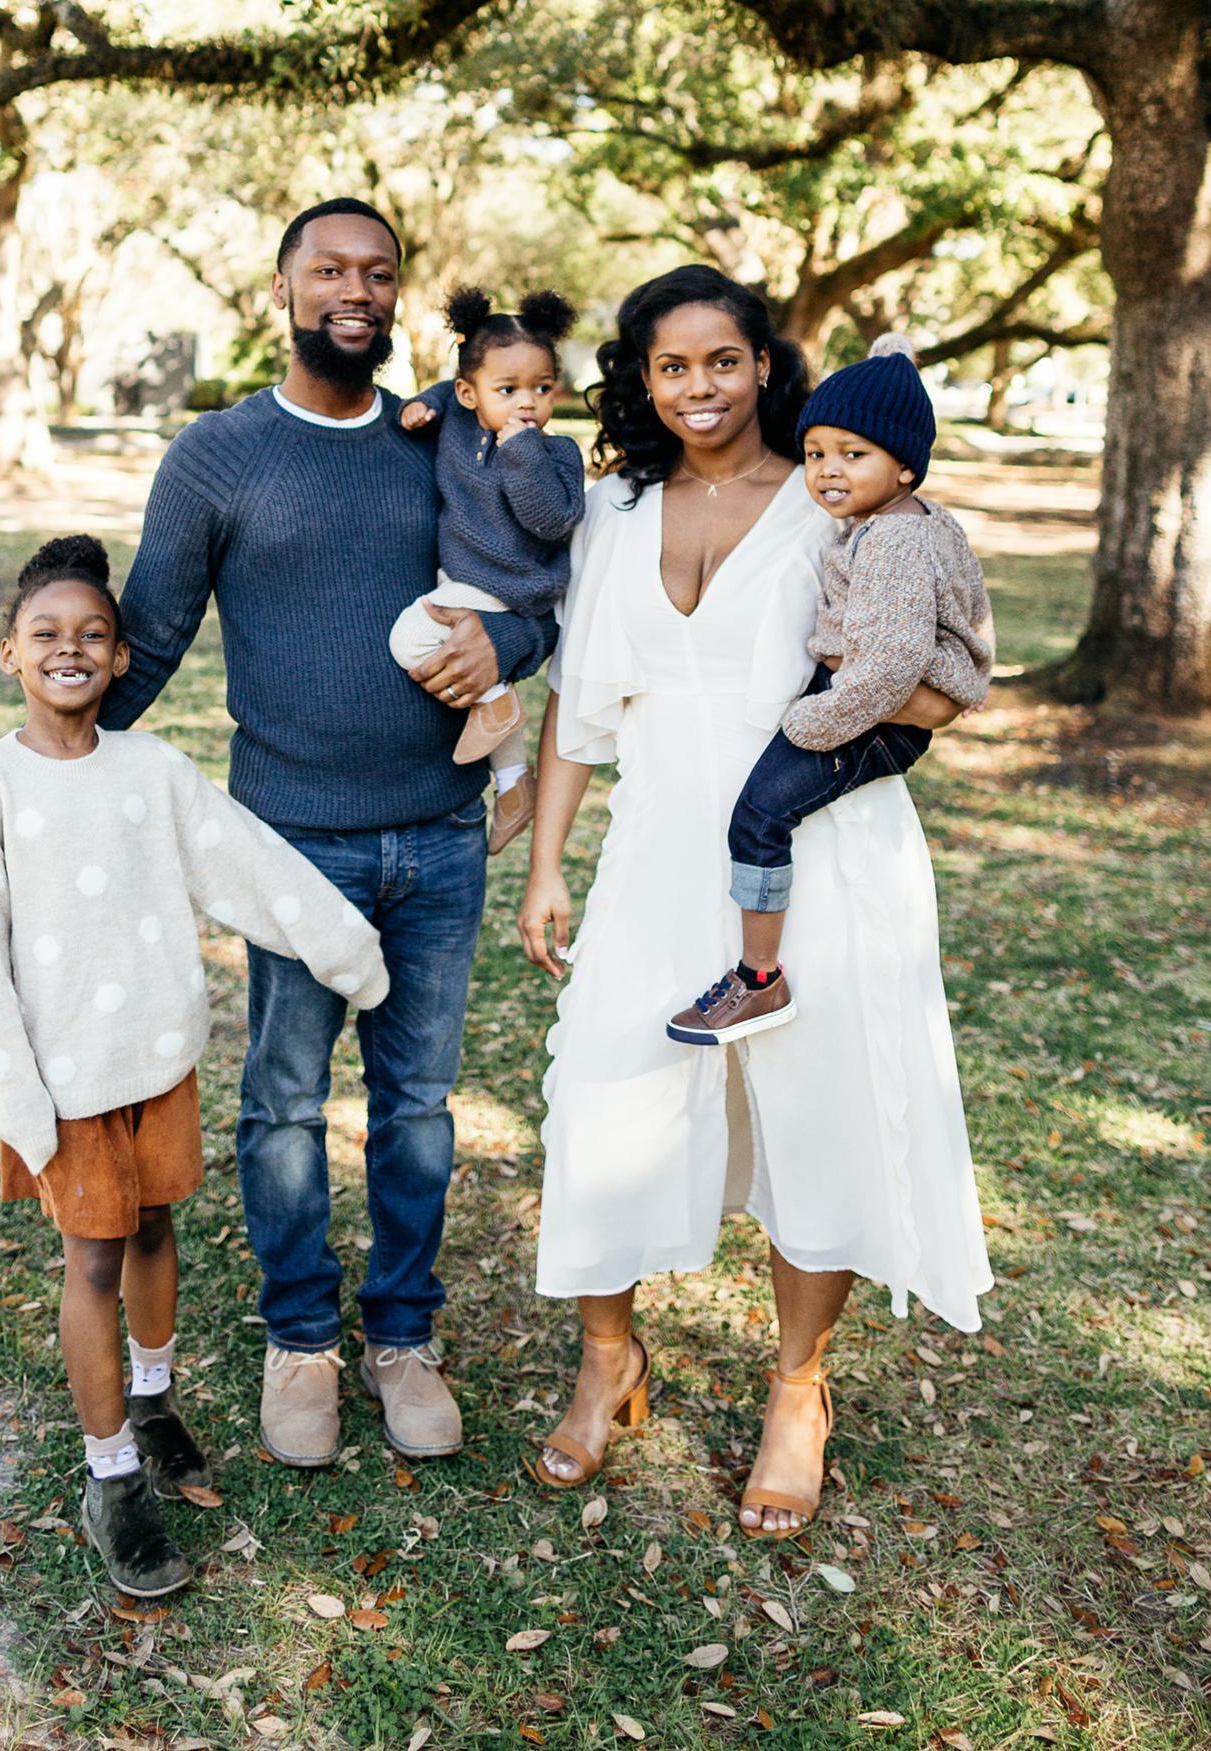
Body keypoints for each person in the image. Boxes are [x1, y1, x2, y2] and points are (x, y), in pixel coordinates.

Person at [518, 266, 993, 1539]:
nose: (700, 386)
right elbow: (577, 700)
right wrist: (548, 861)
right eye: (672, 365)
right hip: (657, 841)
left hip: (823, 845)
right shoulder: (614, 509)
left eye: (723, 359)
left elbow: (935, 675)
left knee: (815, 1109)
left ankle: (798, 1388)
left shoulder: (840, 496)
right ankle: (608, 1357)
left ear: (764, 365)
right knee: (605, 1092)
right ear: (643, 378)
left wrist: (908, 703)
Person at [94, 199, 558, 1467]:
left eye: (378, 272)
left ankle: (402, 1335)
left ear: (398, 294)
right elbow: (149, 637)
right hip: (289, 845)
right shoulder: (217, 455)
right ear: (283, 289)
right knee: (285, 1103)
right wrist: (25, 769)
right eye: (329, 270)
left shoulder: (444, 438)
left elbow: (533, 587)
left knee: (417, 1105)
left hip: (442, 839)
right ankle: (300, 1337)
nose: (355, 290)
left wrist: (505, 643)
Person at [0, 535, 388, 1597]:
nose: (70, 648)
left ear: (121, 656)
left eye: (92, 633)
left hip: (155, 1060)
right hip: (65, 1079)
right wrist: (13, 1092)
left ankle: (152, 1398)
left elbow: (249, 863)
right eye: (46, 632)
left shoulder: (152, 769)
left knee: (151, 1228)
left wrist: (344, 946)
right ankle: (110, 1476)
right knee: (92, 1260)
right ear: (10, 652)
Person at [666, 334, 993, 1045]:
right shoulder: (909, 520)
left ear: (904, 465)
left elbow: (891, 665)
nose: (827, 470)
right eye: (815, 454)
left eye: (853, 454)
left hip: (872, 715)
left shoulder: (893, 540)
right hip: (870, 700)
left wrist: (811, 719)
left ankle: (758, 978)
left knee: (758, 818)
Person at [394, 285, 585, 854]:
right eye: (508, 390)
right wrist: (423, 403)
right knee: (466, 668)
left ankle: (498, 702)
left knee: (410, 639)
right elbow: (447, 392)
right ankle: (512, 784)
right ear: (469, 393)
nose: (527, 403)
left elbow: (551, 521)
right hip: (466, 581)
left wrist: (522, 451)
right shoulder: (456, 417)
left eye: (542, 389)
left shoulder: (556, 453)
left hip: (514, 585)